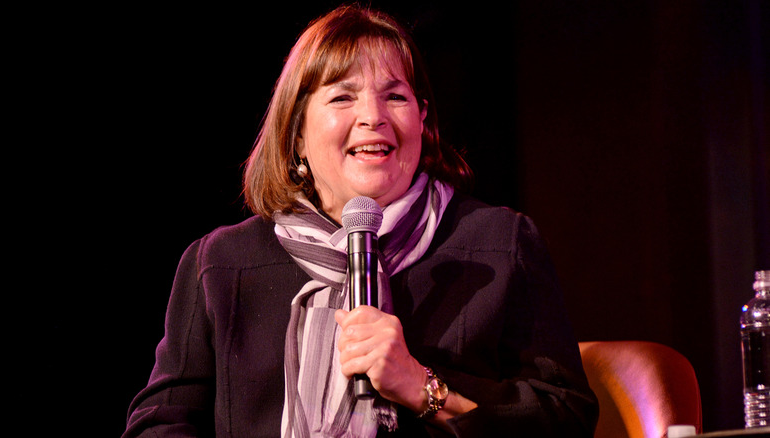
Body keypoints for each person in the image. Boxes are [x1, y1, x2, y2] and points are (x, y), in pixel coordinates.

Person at [123, 5, 598, 437]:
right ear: (296, 134)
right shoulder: (222, 264)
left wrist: (423, 387)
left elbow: (567, 417)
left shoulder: (500, 243)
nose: (373, 116)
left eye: (395, 96)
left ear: (422, 119)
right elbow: (161, 426)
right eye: (342, 97)